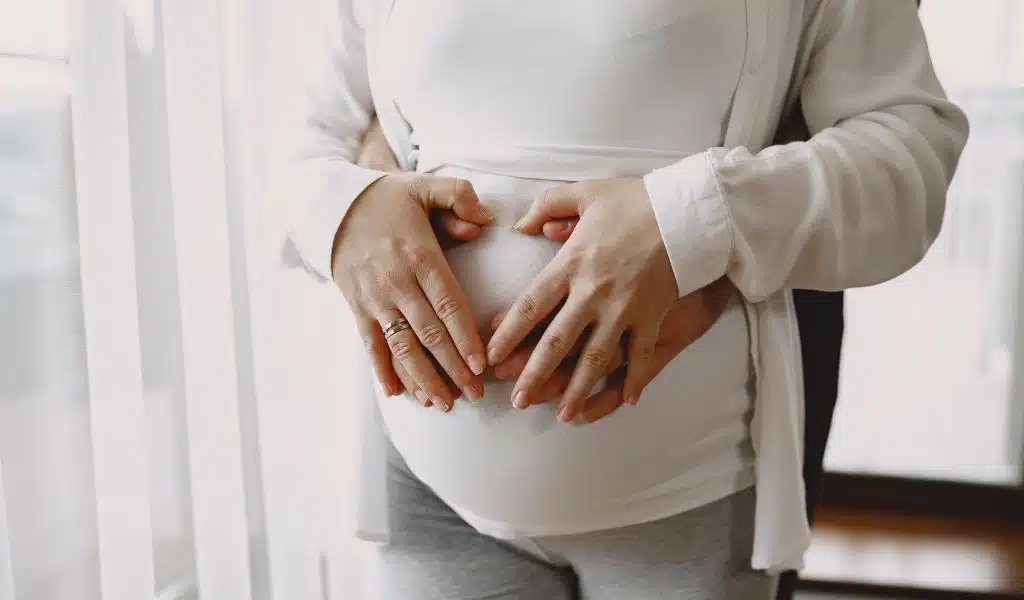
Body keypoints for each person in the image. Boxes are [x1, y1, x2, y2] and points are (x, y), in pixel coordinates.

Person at [282, 1, 968, 598]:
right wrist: (344, 212)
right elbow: (307, 133)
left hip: (686, 505)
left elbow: (909, 159)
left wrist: (691, 222)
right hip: (430, 495)